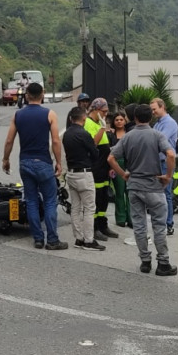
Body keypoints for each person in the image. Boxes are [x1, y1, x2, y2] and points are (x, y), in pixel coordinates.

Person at [108, 104, 178, 276]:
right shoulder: (157, 135)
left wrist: (123, 174)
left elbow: (111, 158)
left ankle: (145, 261)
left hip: (134, 186)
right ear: (150, 118)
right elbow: (170, 154)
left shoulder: (128, 137)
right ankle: (163, 263)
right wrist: (168, 176)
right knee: (159, 226)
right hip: (153, 186)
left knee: (139, 226)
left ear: (134, 118)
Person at [2, 82, 68, 250]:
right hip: (43, 163)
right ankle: (52, 240)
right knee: (50, 201)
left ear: (27, 95)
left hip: (25, 163)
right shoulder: (50, 114)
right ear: (43, 94)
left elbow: (9, 140)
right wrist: (59, 162)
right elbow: (55, 140)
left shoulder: (18, 115)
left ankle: (38, 239)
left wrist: (6, 159)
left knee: (31, 200)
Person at [61, 106, 103, 250]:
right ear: (84, 118)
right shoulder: (84, 134)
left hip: (71, 173)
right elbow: (95, 153)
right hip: (84, 173)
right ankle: (89, 240)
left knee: (76, 208)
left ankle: (78, 238)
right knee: (89, 208)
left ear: (71, 119)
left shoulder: (66, 134)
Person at [84, 97, 119, 241]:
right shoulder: (88, 123)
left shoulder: (99, 123)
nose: (106, 114)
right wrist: (102, 128)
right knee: (96, 198)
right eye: (104, 111)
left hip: (104, 167)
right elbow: (93, 144)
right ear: (96, 110)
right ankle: (94, 227)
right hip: (95, 166)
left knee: (104, 197)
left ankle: (103, 225)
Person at [150, 98, 178, 235]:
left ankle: (168, 224)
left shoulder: (170, 123)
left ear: (162, 107)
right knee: (158, 193)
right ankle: (161, 222)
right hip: (158, 161)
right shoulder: (158, 123)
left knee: (166, 194)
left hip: (166, 162)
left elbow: (160, 140)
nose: (153, 112)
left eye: (155, 109)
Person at [108, 111, 131, 228]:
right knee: (119, 192)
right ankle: (121, 218)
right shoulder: (110, 135)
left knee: (130, 192)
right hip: (116, 164)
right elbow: (109, 153)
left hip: (129, 165)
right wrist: (111, 167)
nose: (119, 121)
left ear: (125, 121)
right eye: (116, 120)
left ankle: (131, 219)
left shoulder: (130, 133)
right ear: (113, 122)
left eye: (121, 119)